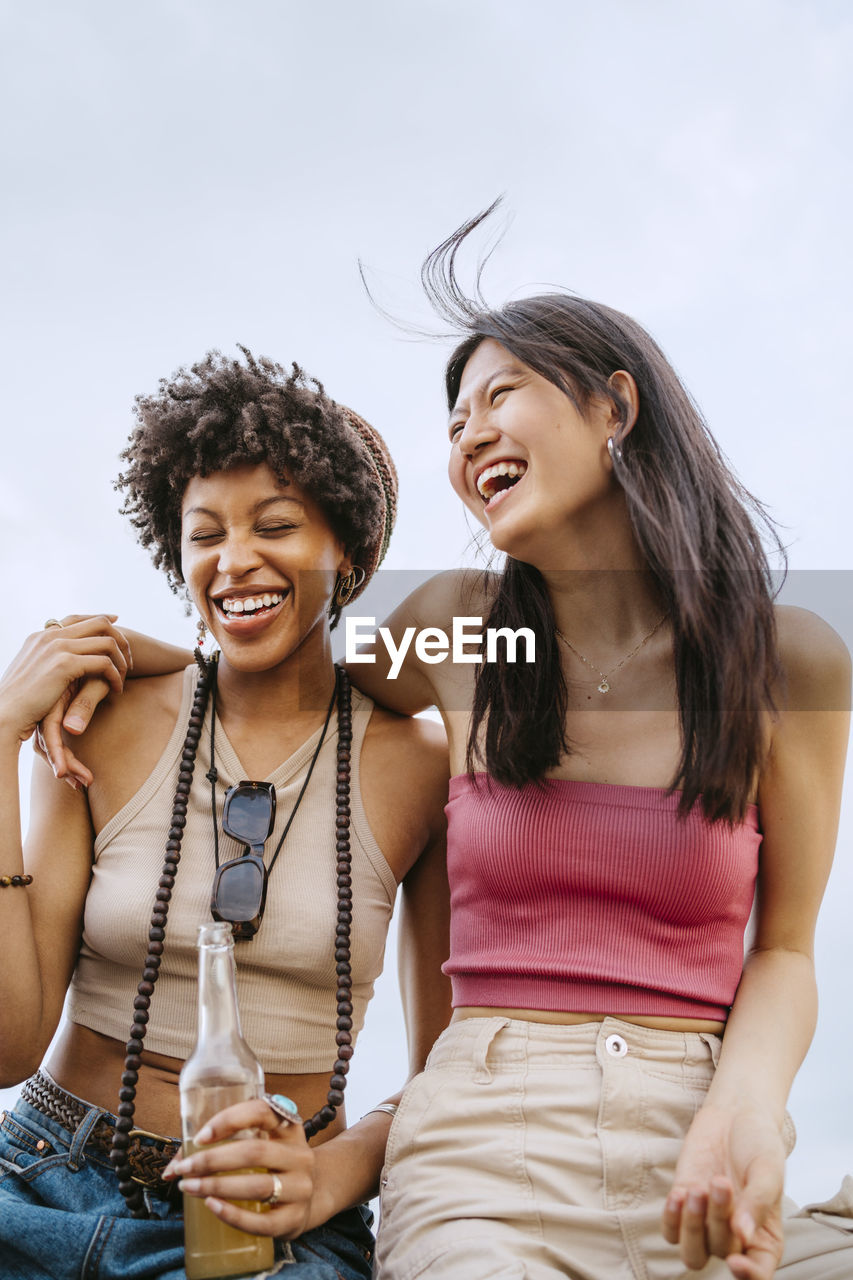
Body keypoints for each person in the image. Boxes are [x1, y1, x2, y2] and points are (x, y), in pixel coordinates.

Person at [41, 213, 853, 1279]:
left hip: (700, 1137)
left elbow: (785, 949)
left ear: (615, 404)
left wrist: (746, 1107)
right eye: (454, 417)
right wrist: (121, 654)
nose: (467, 434)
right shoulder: (463, 624)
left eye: (498, 393)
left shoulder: (789, 660)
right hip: (484, 1149)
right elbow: (283, 660)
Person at [0, 349, 451, 1280]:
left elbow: (441, 1077)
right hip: (40, 1175)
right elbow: (8, 1044)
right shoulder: (105, 722)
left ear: (351, 553)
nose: (234, 559)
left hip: (265, 1219)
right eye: (204, 535)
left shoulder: (418, 767)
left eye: (276, 526)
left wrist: (329, 1172)